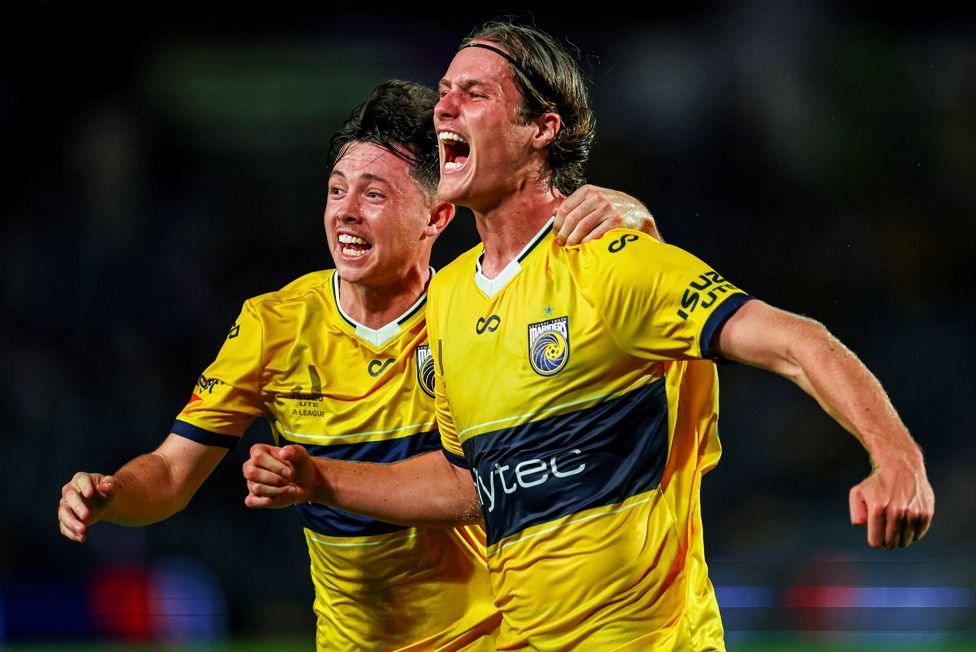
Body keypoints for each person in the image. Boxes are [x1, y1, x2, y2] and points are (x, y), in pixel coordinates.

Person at [243, 21, 936, 651]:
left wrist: (896, 457)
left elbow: (797, 341)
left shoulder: (610, 262)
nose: (443, 108)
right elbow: (470, 480)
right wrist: (320, 479)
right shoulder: (448, 298)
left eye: (474, 93)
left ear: (542, 129)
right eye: (443, 92)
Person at [57, 79, 658, 650]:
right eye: (337, 189)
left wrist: (631, 213)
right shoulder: (276, 324)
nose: (346, 211)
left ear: (436, 217)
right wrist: (114, 492)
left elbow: (488, 486)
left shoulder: (481, 305)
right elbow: (169, 475)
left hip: (496, 638)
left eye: (374, 194)